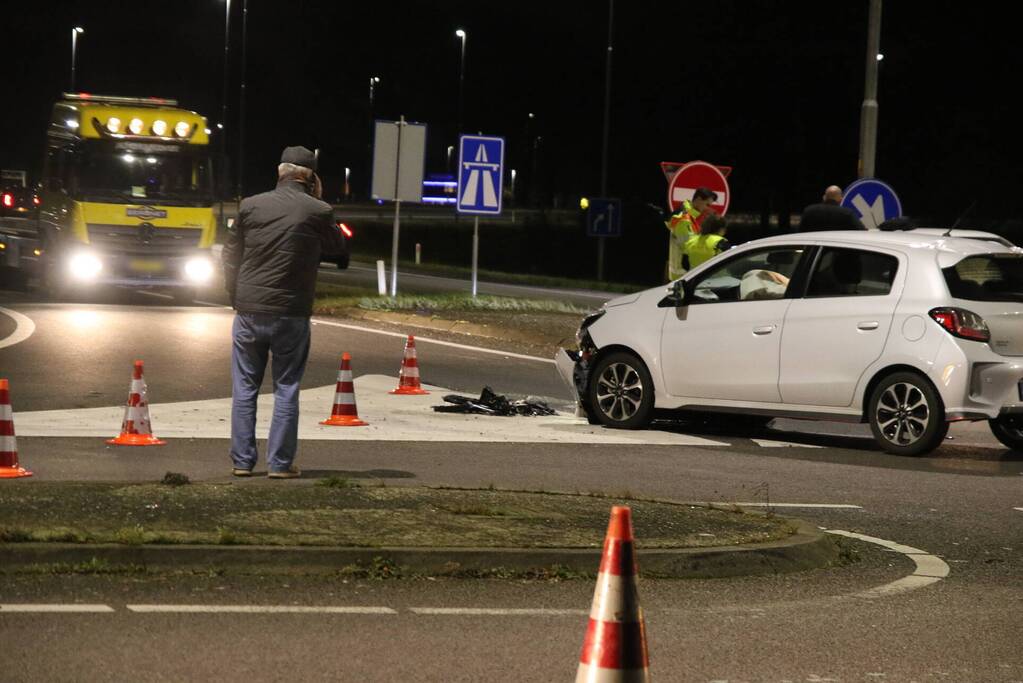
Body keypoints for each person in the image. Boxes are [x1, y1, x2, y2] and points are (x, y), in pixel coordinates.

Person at [222, 146, 348, 479]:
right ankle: (279, 464)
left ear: (280, 172)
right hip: (291, 313)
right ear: (310, 178)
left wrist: (236, 296)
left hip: (249, 310)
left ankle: (242, 462)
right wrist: (320, 199)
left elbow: (230, 256)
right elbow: (338, 250)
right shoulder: (318, 210)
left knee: (245, 387)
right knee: (287, 387)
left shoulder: (250, 206)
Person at [664, 186, 717, 280]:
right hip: (682, 275)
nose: (707, 209)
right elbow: (689, 249)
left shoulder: (691, 217)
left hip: (684, 274)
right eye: (707, 205)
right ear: (699, 199)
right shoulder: (684, 219)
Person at [797, 185, 865, 232]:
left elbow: (800, 231)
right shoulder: (847, 214)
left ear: (824, 197)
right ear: (840, 199)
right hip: (836, 250)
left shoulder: (809, 210)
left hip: (814, 249)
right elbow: (860, 232)